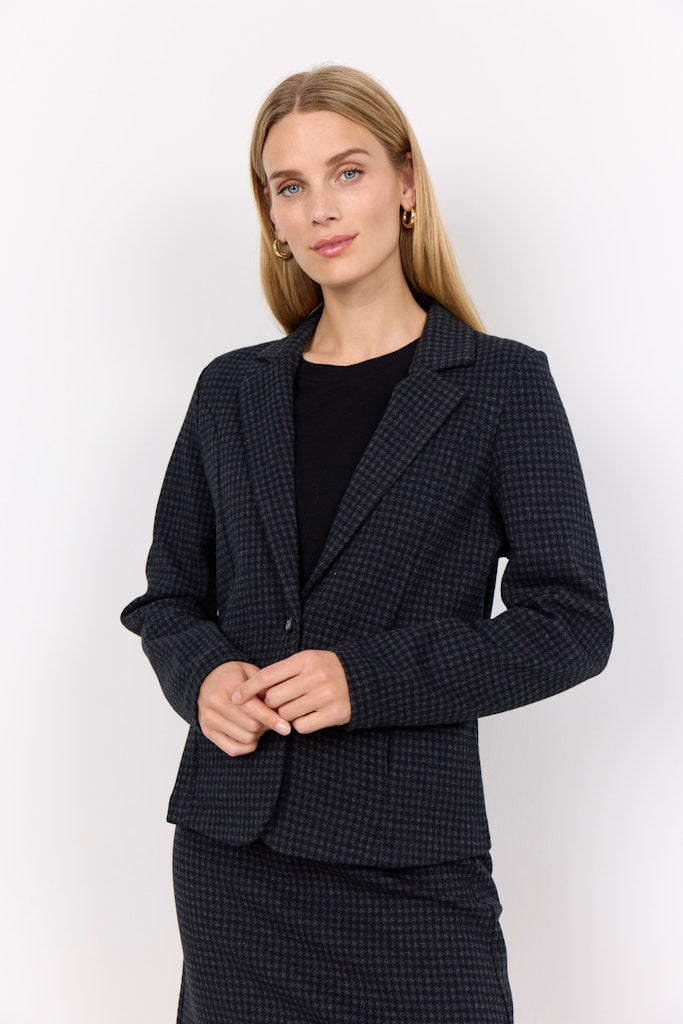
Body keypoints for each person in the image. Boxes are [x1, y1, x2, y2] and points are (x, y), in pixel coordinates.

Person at [120, 64, 613, 1024]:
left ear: (405, 183)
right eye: (289, 186)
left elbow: (570, 623)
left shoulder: (500, 386)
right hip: (233, 858)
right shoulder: (231, 389)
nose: (320, 209)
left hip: (409, 862)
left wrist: (365, 679)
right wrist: (204, 676)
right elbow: (168, 595)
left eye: (347, 172)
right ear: (271, 216)